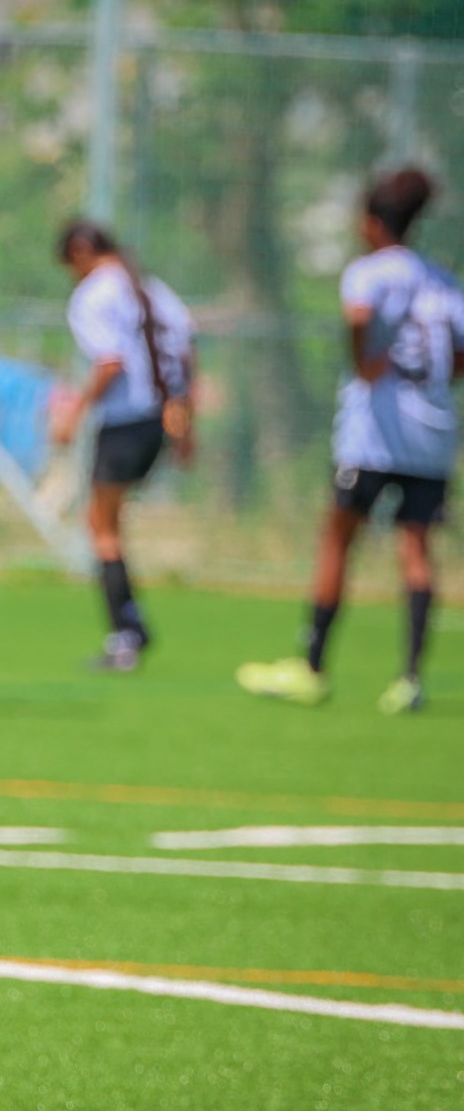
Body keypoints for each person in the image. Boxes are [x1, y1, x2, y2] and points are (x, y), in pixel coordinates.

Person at [238, 167, 462, 713]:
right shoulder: (443, 281)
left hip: (374, 435)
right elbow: (457, 358)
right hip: (431, 434)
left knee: (338, 537)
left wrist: (364, 360)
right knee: (415, 548)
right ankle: (409, 678)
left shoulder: (368, 272)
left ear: (371, 223)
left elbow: (359, 316)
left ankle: (311, 666)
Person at [52, 219, 196, 671]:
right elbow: (186, 349)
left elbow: (110, 362)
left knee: (101, 525)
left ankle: (126, 634)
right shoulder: (150, 288)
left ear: (79, 253)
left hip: (124, 420)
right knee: (106, 522)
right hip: (156, 418)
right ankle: (131, 626)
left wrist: (74, 412)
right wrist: (184, 420)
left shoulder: (94, 294)